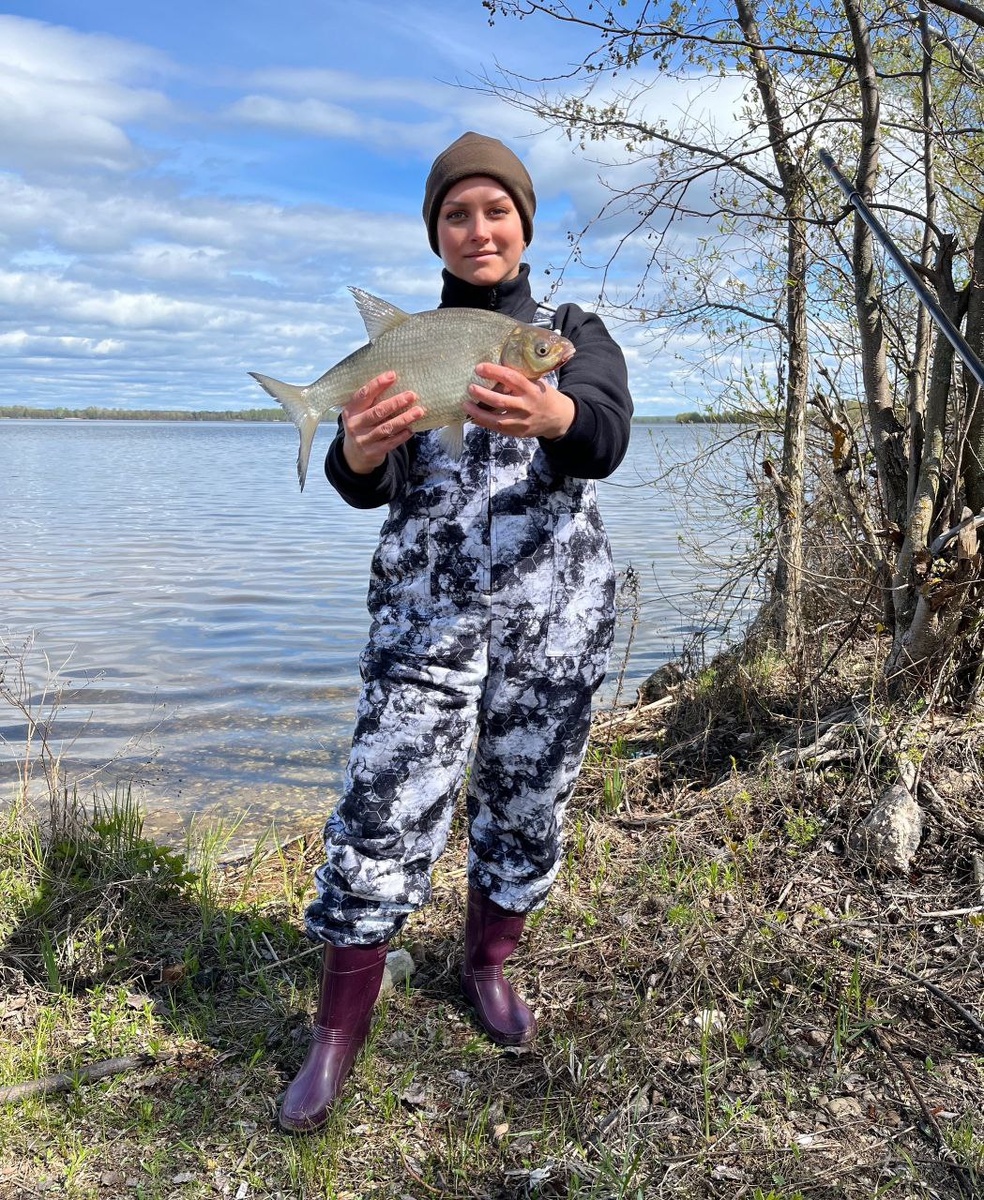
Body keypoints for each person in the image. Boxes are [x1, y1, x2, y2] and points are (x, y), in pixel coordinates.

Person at [278, 131, 633, 1134]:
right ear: (436, 231)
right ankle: (337, 1028)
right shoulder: (415, 342)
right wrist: (353, 451)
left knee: (526, 804)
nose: (478, 229)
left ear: (525, 226)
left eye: (496, 211)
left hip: (553, 624)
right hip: (424, 621)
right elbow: (368, 483)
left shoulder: (572, 331)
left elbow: (606, 432)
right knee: (381, 808)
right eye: (456, 214)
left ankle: (486, 966)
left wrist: (555, 415)